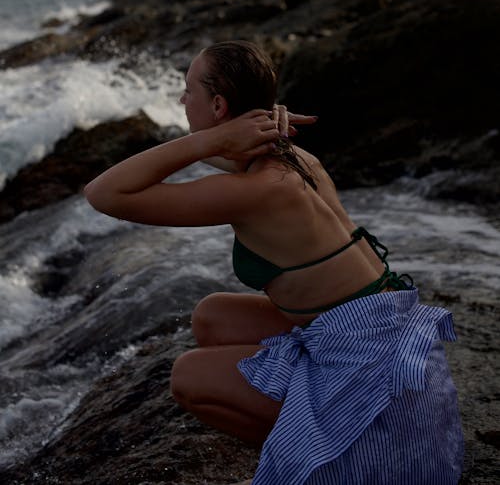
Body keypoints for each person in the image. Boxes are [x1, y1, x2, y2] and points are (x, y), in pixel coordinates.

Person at [84, 39, 464, 485]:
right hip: (380, 324)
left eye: (188, 91)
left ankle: (305, 456)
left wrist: (212, 138)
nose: (181, 101)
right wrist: (239, 127)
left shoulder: (260, 190)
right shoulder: (296, 158)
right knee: (212, 317)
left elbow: (104, 194)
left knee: (188, 376)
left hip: (367, 367)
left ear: (220, 105)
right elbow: (213, 150)